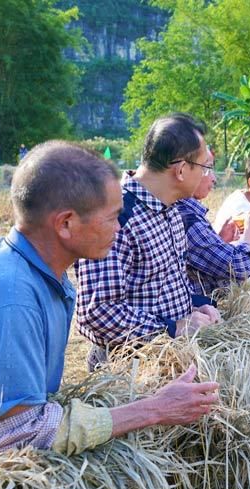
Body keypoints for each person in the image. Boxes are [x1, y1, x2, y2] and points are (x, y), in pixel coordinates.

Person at [0, 141, 220, 457]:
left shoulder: (39, 274)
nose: (119, 228)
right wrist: (154, 409)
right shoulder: (10, 299)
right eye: (113, 217)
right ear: (66, 224)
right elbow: (23, 432)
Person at [75, 113, 221, 371]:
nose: (208, 176)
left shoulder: (173, 210)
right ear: (181, 170)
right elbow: (97, 313)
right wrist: (173, 327)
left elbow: (167, 285)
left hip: (171, 362)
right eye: (204, 167)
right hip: (131, 376)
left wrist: (200, 305)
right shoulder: (116, 215)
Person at [175, 148, 250, 298]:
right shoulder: (187, 218)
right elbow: (241, 268)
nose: (213, 178)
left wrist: (220, 239)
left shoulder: (186, 211)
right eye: (207, 168)